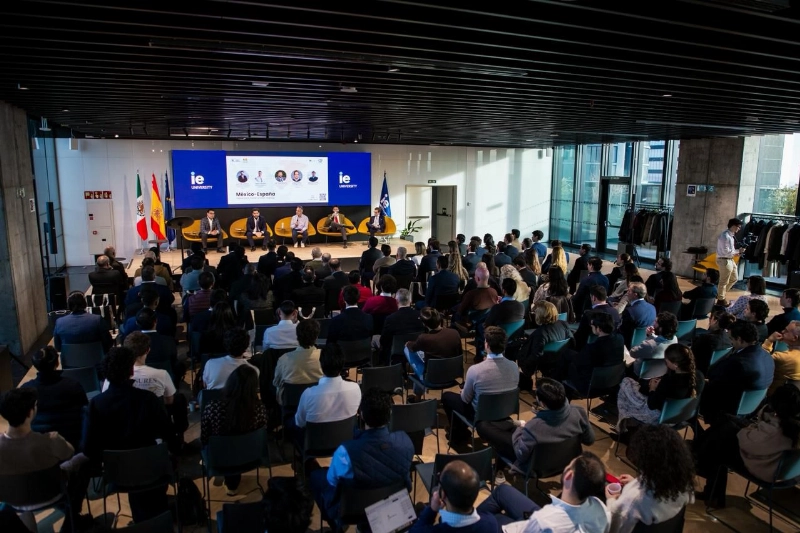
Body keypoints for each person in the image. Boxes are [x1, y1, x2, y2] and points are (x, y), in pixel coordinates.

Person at [82, 347, 178, 523]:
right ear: (131, 371)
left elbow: (88, 448)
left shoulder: (96, 404)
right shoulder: (148, 399)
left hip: (116, 472)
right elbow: (169, 434)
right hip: (150, 466)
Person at [309, 388, 414, 531]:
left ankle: (335, 523)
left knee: (315, 476)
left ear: (362, 415)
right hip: (389, 504)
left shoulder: (345, 452)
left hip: (352, 510)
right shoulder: (406, 442)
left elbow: (332, 481)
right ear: (390, 414)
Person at [694, 383, 800, 508]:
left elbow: (745, 441)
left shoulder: (776, 431)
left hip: (765, 467)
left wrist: (750, 427)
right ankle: (698, 454)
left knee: (722, 441)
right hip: (779, 465)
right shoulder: (791, 425)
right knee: (724, 420)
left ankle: (711, 491)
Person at [0, 388, 91, 533]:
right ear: (30, 413)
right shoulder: (51, 440)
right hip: (52, 494)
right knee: (81, 464)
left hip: (13, 500)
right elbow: (70, 452)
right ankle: (72, 516)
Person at [477, 378, 594, 472]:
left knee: (483, 426)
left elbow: (520, 455)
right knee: (505, 427)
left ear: (542, 403)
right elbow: (589, 440)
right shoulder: (579, 412)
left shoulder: (534, 426)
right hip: (566, 461)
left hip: (537, 466)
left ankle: (498, 470)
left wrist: (520, 430)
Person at [477, 452, 610, 533]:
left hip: (530, 527)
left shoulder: (544, 520)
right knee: (502, 491)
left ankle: (465, 524)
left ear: (569, 475)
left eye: (569, 465)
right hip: (543, 522)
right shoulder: (603, 510)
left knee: (486, 521)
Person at [605, 425, 695, 533]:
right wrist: (636, 482)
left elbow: (614, 528)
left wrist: (611, 499)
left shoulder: (635, 499)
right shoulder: (683, 484)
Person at [442, 326, 519, 444]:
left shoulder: (475, 370)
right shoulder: (514, 366)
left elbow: (465, 399)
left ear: (487, 345)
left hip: (481, 414)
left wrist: (463, 391)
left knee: (447, 397)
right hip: (504, 411)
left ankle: (458, 434)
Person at [201, 365, 267, 496]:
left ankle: (228, 479)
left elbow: (204, 437)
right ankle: (232, 482)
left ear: (230, 382)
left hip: (219, 457)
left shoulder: (213, 407)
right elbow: (262, 434)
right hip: (250, 456)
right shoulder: (259, 408)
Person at [700, 321, 774, 422]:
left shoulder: (738, 363)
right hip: (752, 408)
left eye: (731, 338)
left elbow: (713, 375)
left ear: (739, 339)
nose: (730, 342)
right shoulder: (768, 357)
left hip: (728, 409)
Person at [617, 343, 702, 428]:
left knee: (626, 382)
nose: (666, 362)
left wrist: (652, 389)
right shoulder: (699, 377)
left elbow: (651, 405)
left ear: (675, 364)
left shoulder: (669, 381)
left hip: (660, 419)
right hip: (682, 417)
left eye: (667, 360)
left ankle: (625, 427)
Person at [21, 346, 87, 450]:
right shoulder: (73, 385)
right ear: (57, 363)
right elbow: (84, 411)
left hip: (37, 445)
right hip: (70, 441)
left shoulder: (26, 390)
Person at [410, 460, 498, 533]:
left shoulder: (439, 530)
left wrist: (432, 510)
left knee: (420, 508)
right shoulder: (490, 523)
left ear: (443, 494)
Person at [293, 343, 362, 429]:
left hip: (316, 441)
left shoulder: (308, 394)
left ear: (321, 365)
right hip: (347, 439)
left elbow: (299, 423)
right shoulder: (355, 389)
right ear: (343, 364)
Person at [405, 307, 462, 399]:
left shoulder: (423, 338)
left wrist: (408, 344)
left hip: (431, 380)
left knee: (408, 351)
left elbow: (412, 348)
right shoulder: (454, 333)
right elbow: (459, 354)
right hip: (452, 377)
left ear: (424, 324)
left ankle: (417, 397)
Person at [565, 312, 625, 392]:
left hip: (591, 386)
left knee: (568, 360)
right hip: (613, 381)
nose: (591, 327)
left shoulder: (593, 348)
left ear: (599, 329)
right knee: (569, 354)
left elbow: (578, 362)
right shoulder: (620, 339)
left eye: (592, 325)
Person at [518, 301, 573, 379]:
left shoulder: (541, 333)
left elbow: (536, 355)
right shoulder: (563, 324)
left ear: (540, 315)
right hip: (561, 359)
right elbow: (571, 341)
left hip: (546, 362)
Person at [273, 319, 324, 403]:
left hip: (290, 404)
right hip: (318, 403)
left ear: (297, 336)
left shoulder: (284, 359)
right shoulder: (324, 357)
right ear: (317, 337)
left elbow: (276, 382)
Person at [379, 288, 424, 365]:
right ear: (411, 301)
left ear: (396, 301)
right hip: (417, 351)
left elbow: (383, 340)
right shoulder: (420, 316)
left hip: (396, 354)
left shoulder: (391, 318)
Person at [628, 311, 679, 377]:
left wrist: (648, 338)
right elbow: (660, 342)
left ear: (661, 328)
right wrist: (652, 336)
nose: (653, 323)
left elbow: (633, 353)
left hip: (640, 374)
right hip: (661, 373)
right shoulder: (675, 339)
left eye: (656, 322)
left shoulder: (649, 345)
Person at [692, 309, 736, 374]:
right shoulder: (730, 339)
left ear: (715, 321)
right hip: (717, 370)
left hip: (701, 370)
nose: (709, 321)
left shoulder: (705, 338)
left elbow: (692, 355)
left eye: (711, 319)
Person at [762, 321, 800, 395]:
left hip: (772, 396)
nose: (782, 331)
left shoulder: (783, 357)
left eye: (786, 331)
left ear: (794, 338)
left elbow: (760, 359)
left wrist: (769, 341)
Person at [716, 218, 745, 306]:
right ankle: (721, 300)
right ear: (733, 226)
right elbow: (725, 251)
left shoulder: (731, 236)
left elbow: (730, 251)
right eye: (738, 227)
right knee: (723, 281)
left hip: (729, 259)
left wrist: (737, 252)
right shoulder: (725, 236)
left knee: (734, 278)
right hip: (724, 260)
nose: (739, 229)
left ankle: (721, 295)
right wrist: (738, 251)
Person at [619, 282, 657, 348]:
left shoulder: (629, 311)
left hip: (629, 343)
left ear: (635, 294)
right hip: (647, 341)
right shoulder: (652, 307)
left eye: (629, 291)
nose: (627, 292)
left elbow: (622, 331)